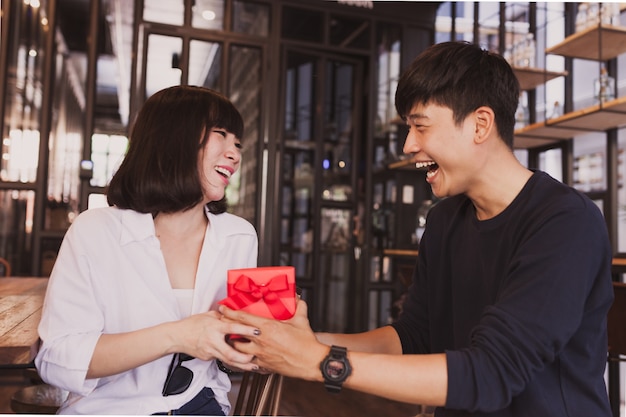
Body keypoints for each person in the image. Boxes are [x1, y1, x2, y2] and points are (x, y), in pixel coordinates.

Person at [220, 41, 614, 416]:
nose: (408, 145)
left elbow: (493, 374)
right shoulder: (445, 221)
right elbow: (412, 338)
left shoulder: (565, 222)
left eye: (421, 126)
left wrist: (320, 362)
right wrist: (305, 343)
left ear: (480, 125)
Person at [35, 85, 261, 415]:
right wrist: (178, 336)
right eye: (221, 135)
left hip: (198, 405)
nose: (235, 154)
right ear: (173, 137)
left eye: (238, 144)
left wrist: (263, 337)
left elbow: (240, 342)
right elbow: (57, 359)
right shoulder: (96, 231)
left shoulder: (239, 237)